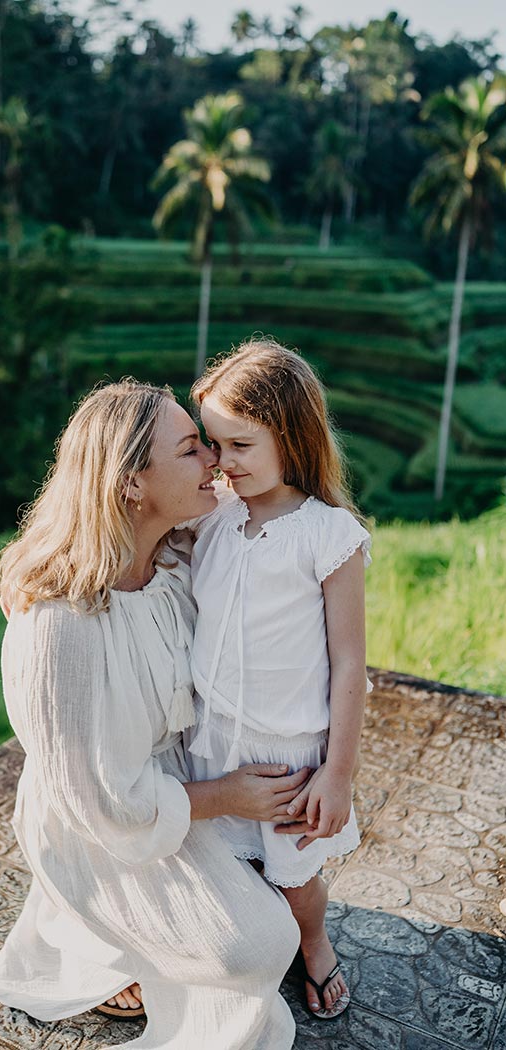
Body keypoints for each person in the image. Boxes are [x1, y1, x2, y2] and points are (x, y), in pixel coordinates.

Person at [0, 379, 318, 1050]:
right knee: (257, 946)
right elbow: (97, 801)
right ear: (131, 483)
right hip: (99, 824)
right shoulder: (61, 623)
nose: (214, 461)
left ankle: (128, 939)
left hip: (173, 785)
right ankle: (93, 938)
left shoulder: (173, 559)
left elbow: (286, 529)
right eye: (192, 449)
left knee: (292, 870)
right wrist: (227, 796)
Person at [185, 338, 371, 1021]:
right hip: (212, 743)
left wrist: (338, 773)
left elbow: (349, 662)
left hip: (289, 757)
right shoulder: (213, 515)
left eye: (240, 445)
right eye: (213, 444)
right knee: (218, 869)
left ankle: (313, 943)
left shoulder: (329, 535)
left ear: (290, 436)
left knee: (294, 881)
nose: (221, 461)